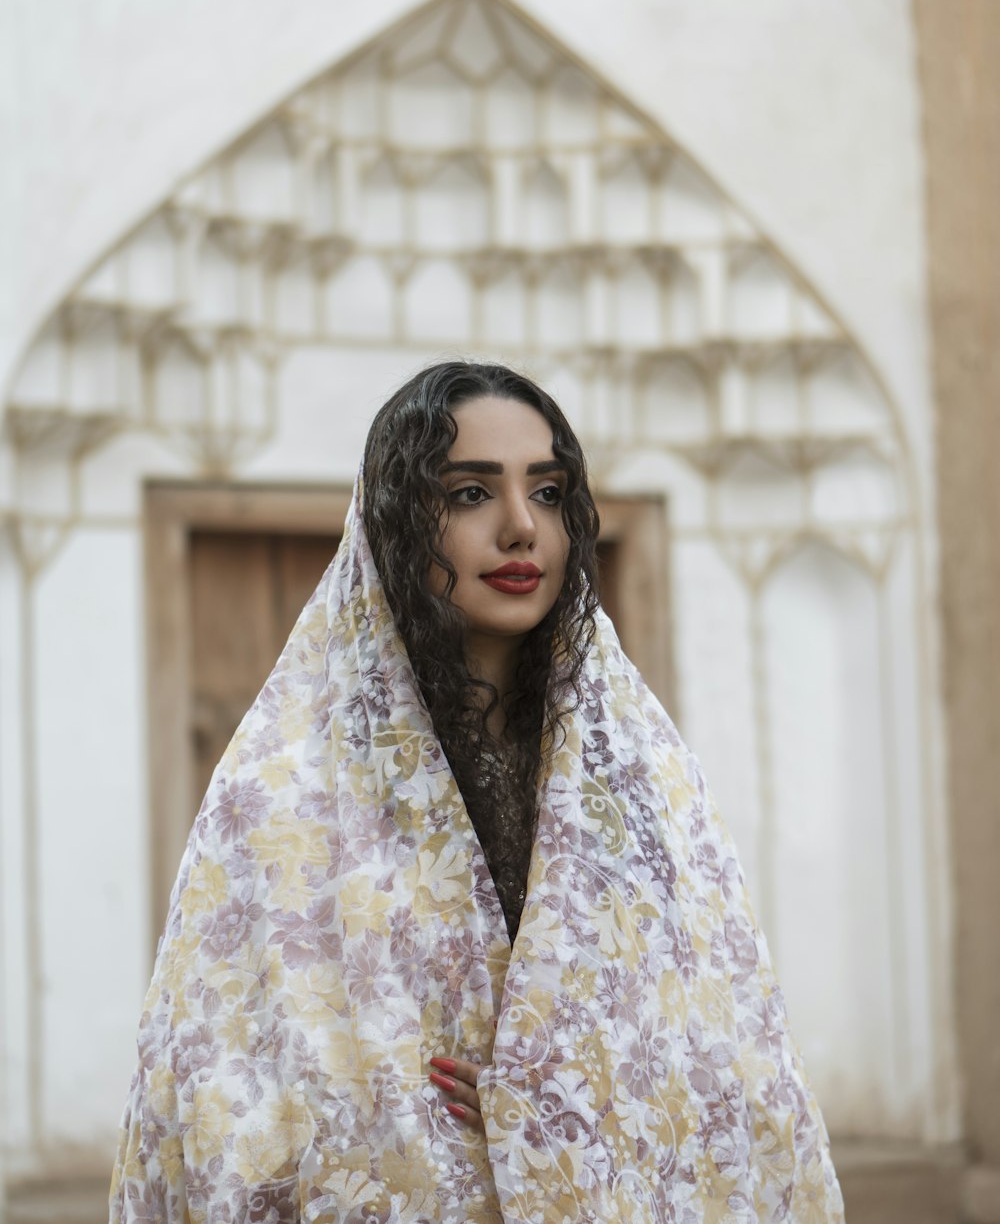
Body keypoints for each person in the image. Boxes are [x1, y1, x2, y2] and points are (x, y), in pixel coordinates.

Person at [110, 361, 844, 1223]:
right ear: (394, 519)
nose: (520, 527)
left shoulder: (646, 783)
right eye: (468, 494)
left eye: (549, 490)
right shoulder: (281, 790)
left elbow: (722, 1045)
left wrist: (548, 1102)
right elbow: (221, 1079)